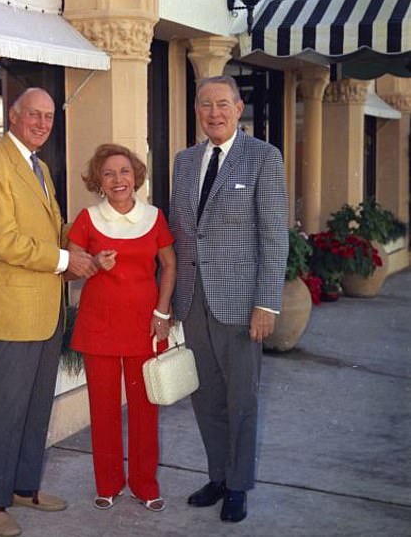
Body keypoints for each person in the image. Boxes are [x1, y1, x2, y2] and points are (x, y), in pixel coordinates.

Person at [0, 88, 99, 537]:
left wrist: (88, 242)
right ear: (14, 115)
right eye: (34, 115)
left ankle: (23, 487)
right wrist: (66, 261)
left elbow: (52, 229)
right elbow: (1, 240)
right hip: (10, 311)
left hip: (45, 309)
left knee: (36, 407)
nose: (42, 123)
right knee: (6, 410)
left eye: (48, 116)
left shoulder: (39, 167)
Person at [169, 75, 288, 523]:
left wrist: (267, 303)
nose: (213, 113)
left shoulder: (263, 158)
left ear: (239, 109)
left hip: (241, 306)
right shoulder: (184, 162)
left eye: (222, 104)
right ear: (196, 110)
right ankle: (217, 475)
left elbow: (274, 237)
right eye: (205, 105)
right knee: (206, 397)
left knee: (241, 398)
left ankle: (238, 485)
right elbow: (181, 235)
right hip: (193, 300)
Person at [67, 143, 176, 513]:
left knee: (146, 409)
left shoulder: (154, 217)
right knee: (104, 410)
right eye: (109, 173)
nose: (118, 180)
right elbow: (68, 270)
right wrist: (94, 263)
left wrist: (162, 312)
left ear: (136, 177)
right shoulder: (87, 218)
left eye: (124, 172)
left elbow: (170, 265)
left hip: (144, 325)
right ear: (99, 180)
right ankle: (108, 484)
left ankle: (145, 485)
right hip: (99, 326)